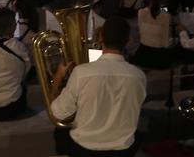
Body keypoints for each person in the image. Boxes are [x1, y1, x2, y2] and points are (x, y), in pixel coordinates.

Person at [51, 15, 146, 156]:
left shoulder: (81, 73)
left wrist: (58, 78)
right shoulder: (139, 76)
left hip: (84, 149)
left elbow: (57, 113)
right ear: (128, 41)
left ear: (101, 37)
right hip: (122, 151)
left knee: (59, 132)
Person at [131, 0, 172, 69]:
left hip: (143, 54)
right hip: (158, 56)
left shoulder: (140, 12)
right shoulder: (166, 16)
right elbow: (165, 43)